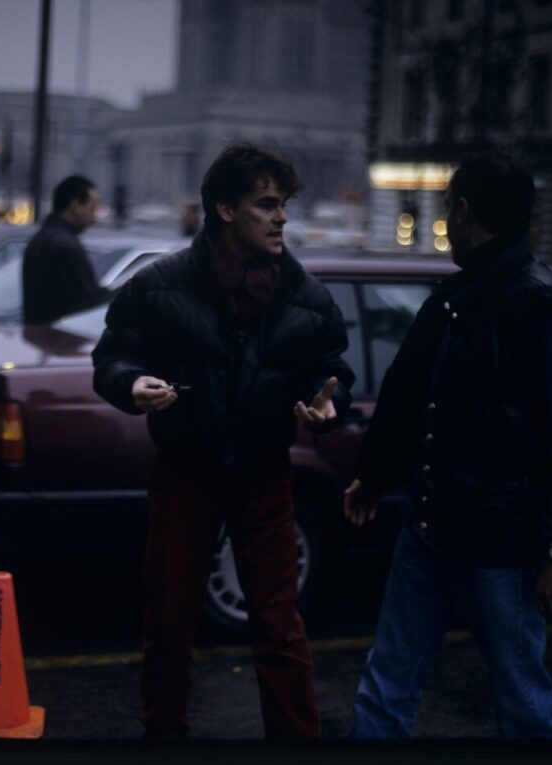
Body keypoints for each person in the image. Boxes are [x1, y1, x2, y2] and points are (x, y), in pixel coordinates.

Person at [92, 143, 355, 740]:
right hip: (186, 470)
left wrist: (327, 403)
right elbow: (113, 355)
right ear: (225, 210)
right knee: (170, 619)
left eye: (283, 204)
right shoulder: (160, 286)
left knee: (279, 627)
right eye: (267, 204)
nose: (282, 217)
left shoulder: (305, 296)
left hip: (266, 473)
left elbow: (329, 367)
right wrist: (130, 383)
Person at [344, 155, 552, 738]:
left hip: (502, 546)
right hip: (431, 527)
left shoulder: (539, 305)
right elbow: (412, 391)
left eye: (447, 209)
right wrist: (377, 471)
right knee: (386, 688)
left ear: (463, 212)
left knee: (524, 707)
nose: (446, 221)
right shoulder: (459, 296)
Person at [22, 175, 107, 325]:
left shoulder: (42, 238)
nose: (94, 217)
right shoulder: (64, 246)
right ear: (75, 206)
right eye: (92, 208)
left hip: (41, 337)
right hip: (62, 340)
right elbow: (81, 305)